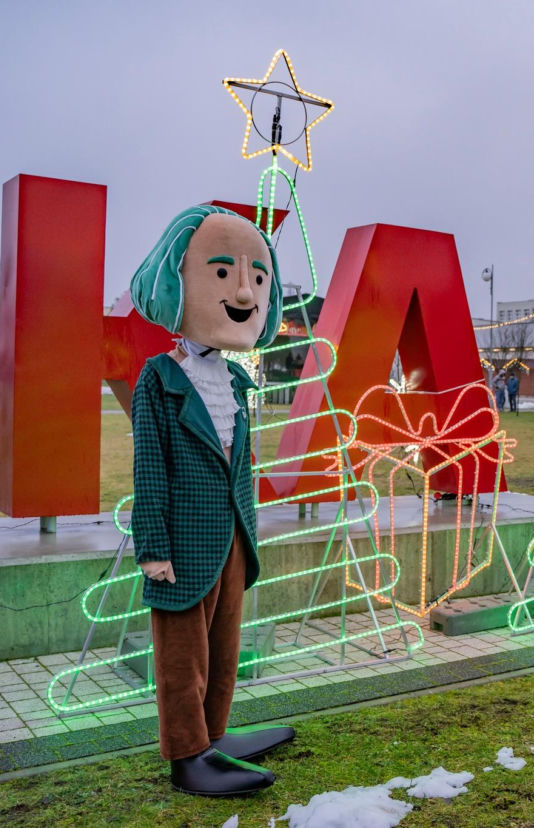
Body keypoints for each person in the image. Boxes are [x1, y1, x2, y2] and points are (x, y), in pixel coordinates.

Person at [130, 206, 295, 796]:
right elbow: (148, 468)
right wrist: (152, 547)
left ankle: (214, 733)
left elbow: (239, 468)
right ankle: (186, 753)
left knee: (226, 641)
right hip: (178, 540)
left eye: (256, 277)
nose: (244, 291)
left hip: (230, 537)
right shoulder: (158, 377)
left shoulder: (236, 380)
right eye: (223, 274)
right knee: (183, 654)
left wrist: (248, 533)